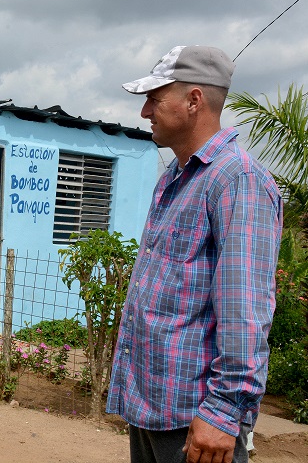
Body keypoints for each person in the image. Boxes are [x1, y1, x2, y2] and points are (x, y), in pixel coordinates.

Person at [106, 46, 283, 463]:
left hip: (195, 420)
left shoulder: (237, 180)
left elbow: (245, 309)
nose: (146, 111)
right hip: (153, 406)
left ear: (194, 100)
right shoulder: (175, 177)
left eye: (154, 98)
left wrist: (224, 411)